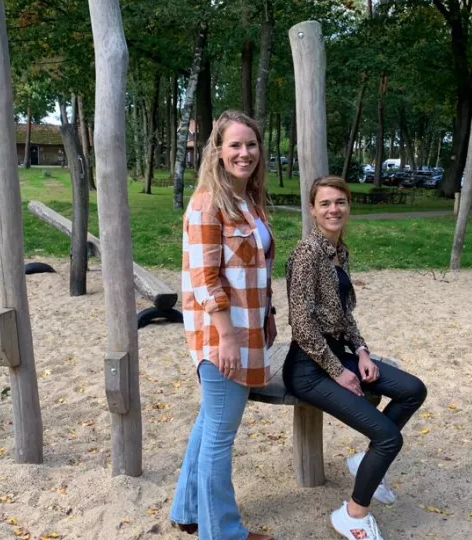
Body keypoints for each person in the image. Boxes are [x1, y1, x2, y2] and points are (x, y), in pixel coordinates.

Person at [284, 176, 428, 540]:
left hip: (338, 354)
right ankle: (352, 515)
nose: (333, 209)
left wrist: (361, 352)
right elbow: (301, 324)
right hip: (308, 368)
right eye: (325, 203)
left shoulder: (339, 251)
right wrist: (338, 371)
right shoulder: (306, 254)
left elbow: (344, 315)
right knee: (388, 439)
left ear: (348, 206)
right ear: (312, 210)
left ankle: (364, 462)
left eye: (340, 202)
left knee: (413, 390)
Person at [170, 110, 276, 540]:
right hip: (223, 336)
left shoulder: (248, 201)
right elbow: (204, 279)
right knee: (220, 436)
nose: (244, 153)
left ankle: (188, 509)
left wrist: (268, 316)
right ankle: (223, 533)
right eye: (235, 145)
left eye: (251, 144)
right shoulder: (206, 204)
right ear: (217, 151)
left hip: (247, 328)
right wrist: (227, 338)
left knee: (209, 423)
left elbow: (255, 269)